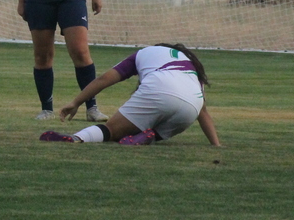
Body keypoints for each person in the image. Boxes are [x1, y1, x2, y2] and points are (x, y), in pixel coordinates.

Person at [39, 43, 221, 146]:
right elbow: (203, 113)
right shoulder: (192, 69)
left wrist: (76, 102)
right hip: (192, 107)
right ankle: (147, 137)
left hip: (160, 87)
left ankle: (76, 138)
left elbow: (104, 79)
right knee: (151, 127)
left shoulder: (144, 53)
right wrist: (216, 145)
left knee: (110, 130)